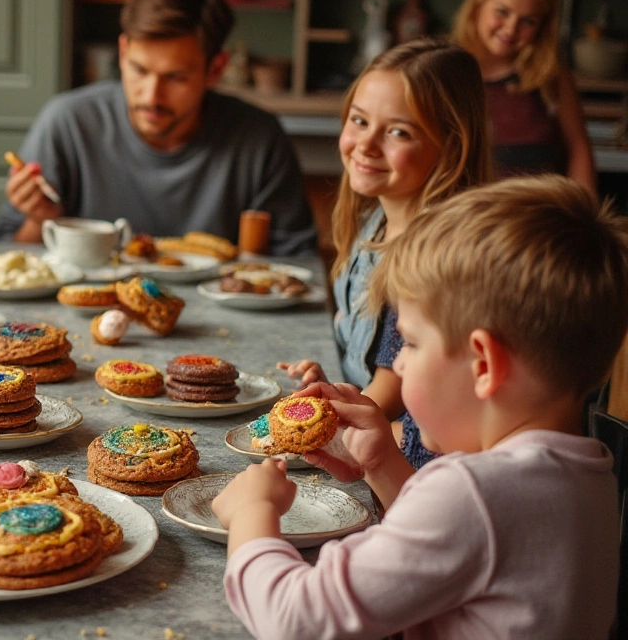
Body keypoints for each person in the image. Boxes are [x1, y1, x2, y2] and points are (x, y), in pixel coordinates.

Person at [216, 176, 627, 639]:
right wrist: (385, 465)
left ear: (484, 364)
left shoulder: (472, 493)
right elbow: (462, 553)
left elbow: (297, 619)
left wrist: (252, 513)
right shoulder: (584, 472)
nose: (400, 363)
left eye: (409, 343)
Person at [277, 38, 493, 470]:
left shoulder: (430, 256)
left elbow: (390, 394)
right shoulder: (374, 219)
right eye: (359, 121)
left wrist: (324, 416)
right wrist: (335, 387)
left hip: (406, 459)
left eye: (398, 131)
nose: (366, 144)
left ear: (452, 146)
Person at [0, 0, 317, 256]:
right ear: (123, 53)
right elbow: (11, 258)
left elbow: (298, 263)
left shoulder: (259, 139)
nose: (151, 96)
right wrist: (40, 219)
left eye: (175, 77)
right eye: (139, 69)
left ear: (215, 69)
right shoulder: (68, 123)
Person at [451, 0, 596, 193]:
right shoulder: (446, 69)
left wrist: (583, 217)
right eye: (502, 12)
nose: (510, 29)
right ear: (478, 7)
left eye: (528, 21)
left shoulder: (551, 75)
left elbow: (579, 149)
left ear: (542, 27)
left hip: (540, 213)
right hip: (464, 217)